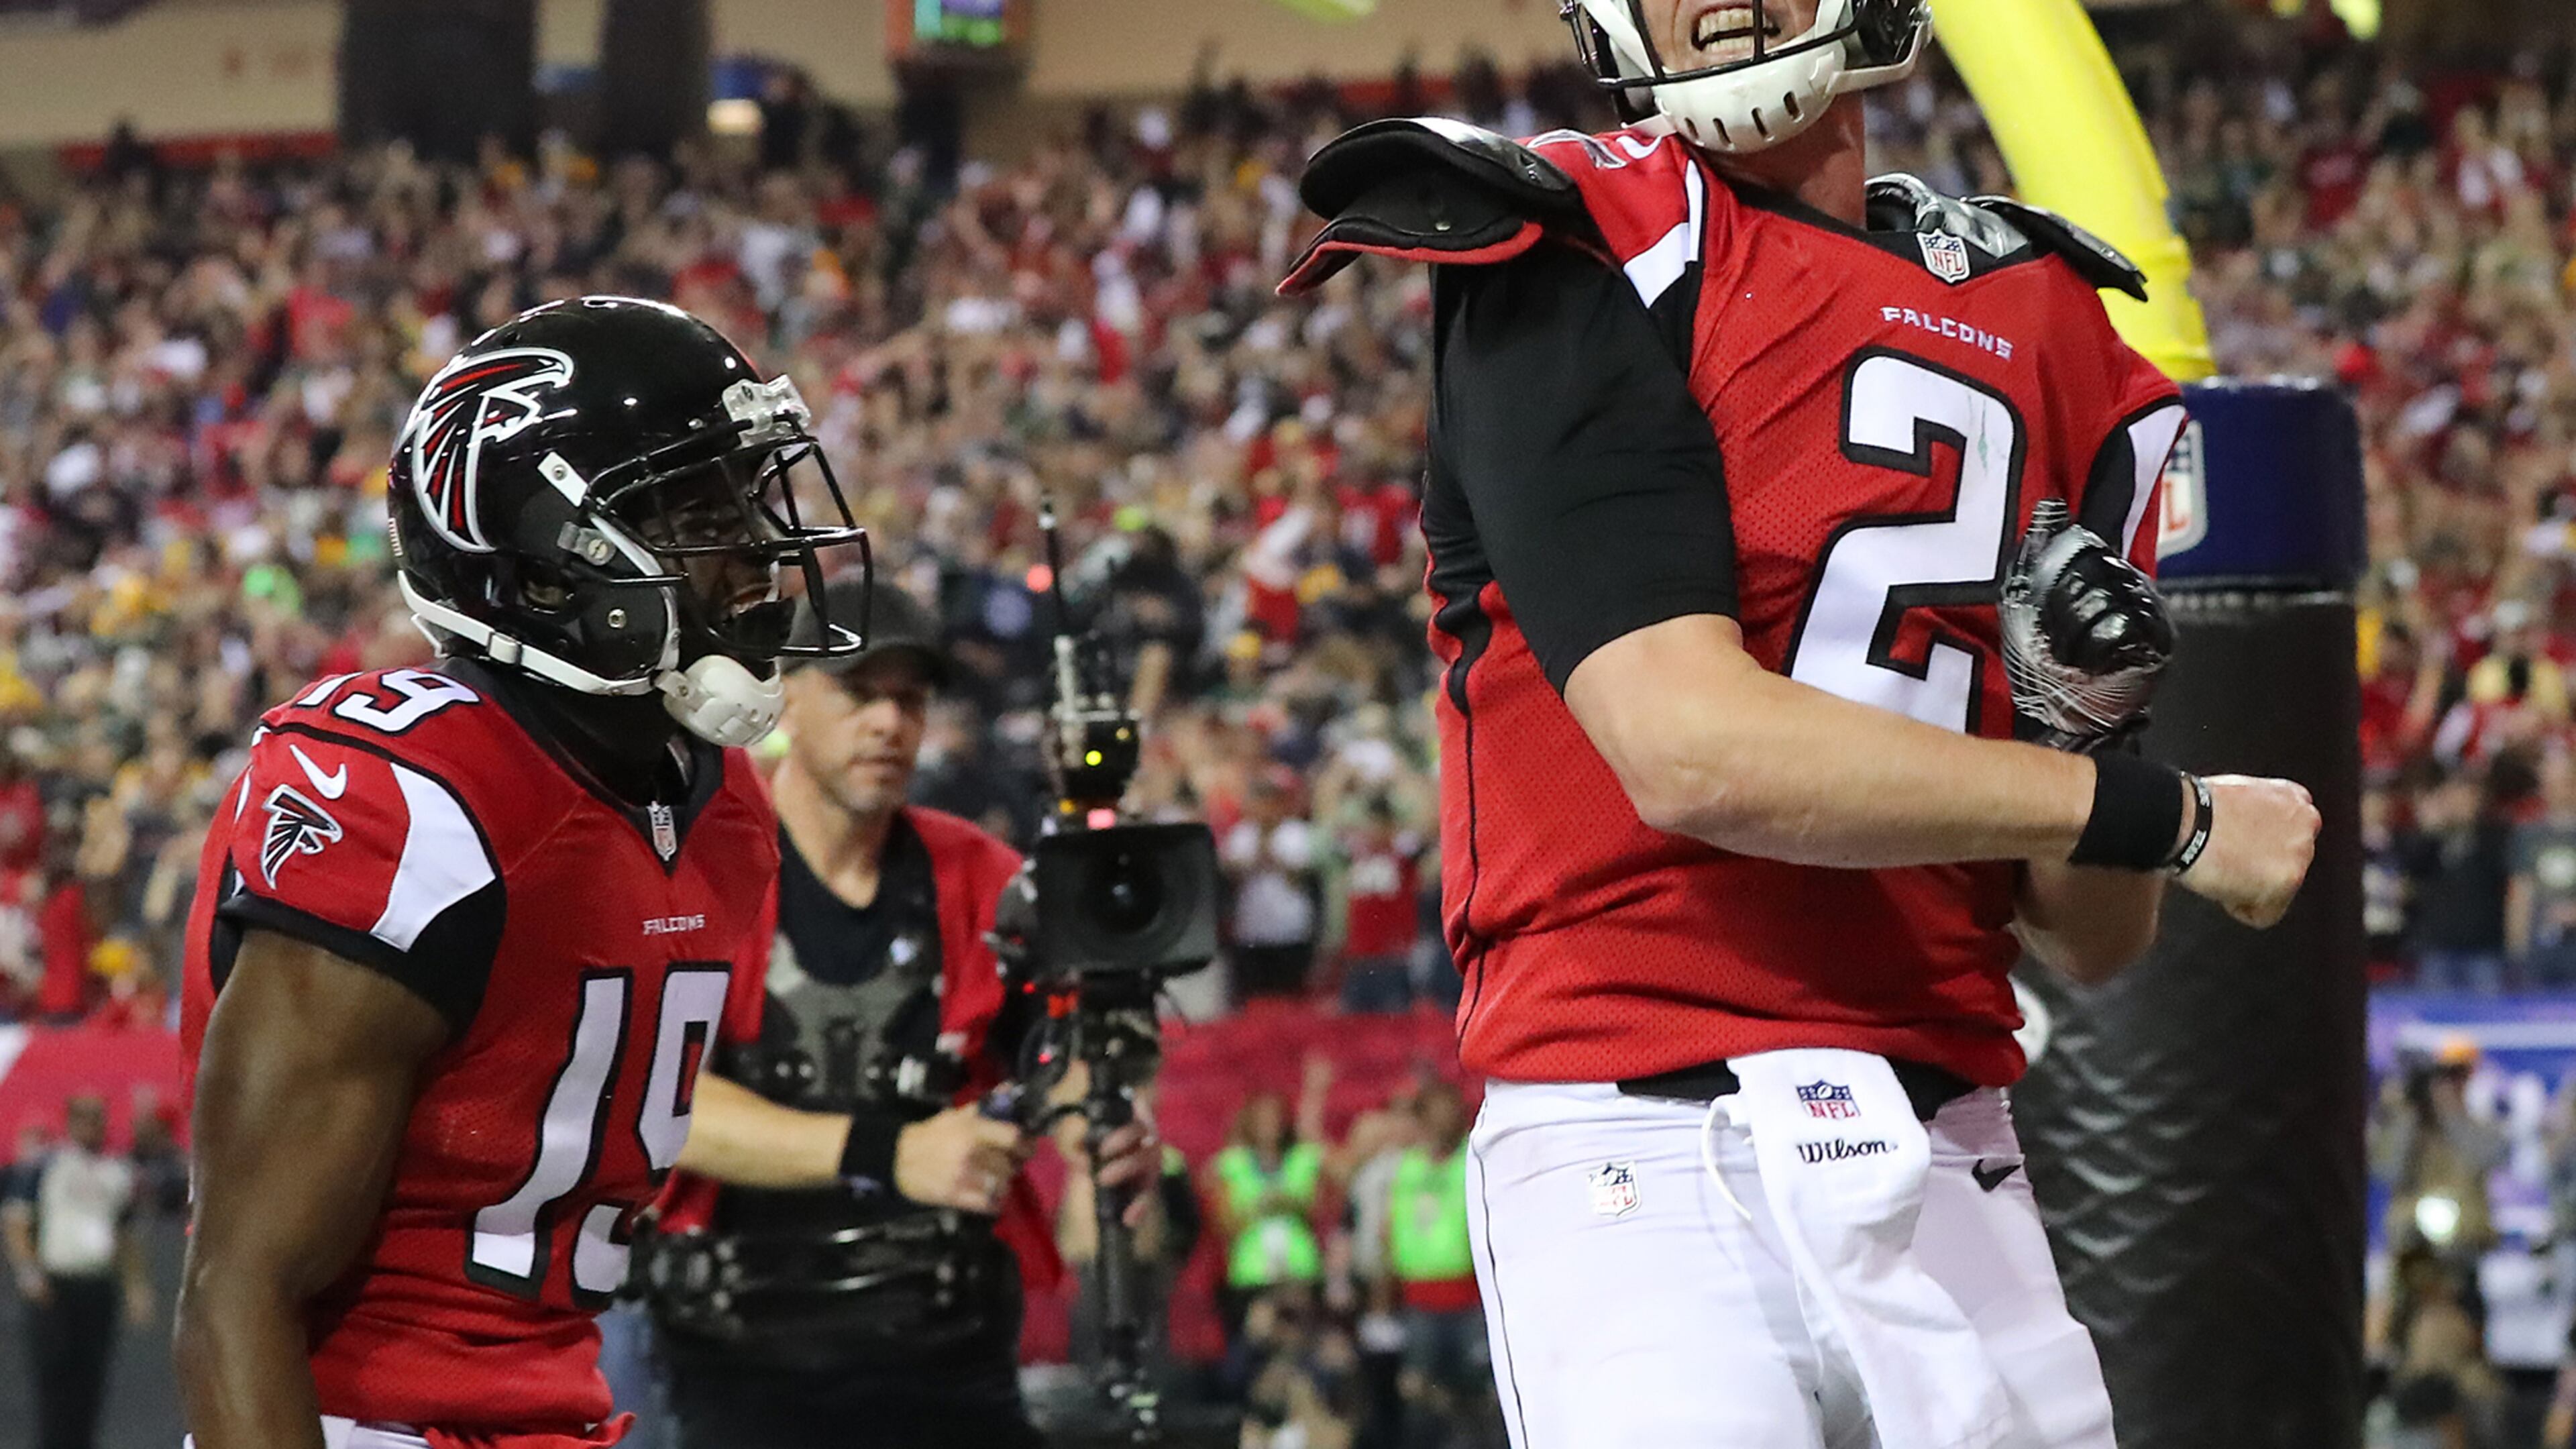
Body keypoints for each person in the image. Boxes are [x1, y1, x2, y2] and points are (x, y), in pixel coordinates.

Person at [1279, 2, 2320, 1445]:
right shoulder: (1584, 242)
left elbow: (2092, 938)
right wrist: (2171, 813)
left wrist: (2085, 738)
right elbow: (1687, 749)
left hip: (1953, 1138)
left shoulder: (2044, 312)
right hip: (1642, 1135)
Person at [172, 297, 870, 1449]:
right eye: (696, 513)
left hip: (557, 1413)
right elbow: (237, 1291)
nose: (753, 549)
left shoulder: (721, 802)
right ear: (550, 565)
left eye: (747, 497)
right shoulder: (418, 798)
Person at [640, 574, 1160, 1449]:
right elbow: (655, 1106)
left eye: (909, 700)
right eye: (857, 692)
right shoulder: (696, 867)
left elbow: (1062, 1038)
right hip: (738, 1364)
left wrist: (1097, 1122)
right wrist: (892, 1152)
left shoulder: (982, 874)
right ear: (788, 697)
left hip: (948, 1351)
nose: (888, 723)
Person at [2, 1095, 152, 1449]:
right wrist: (29, 1272)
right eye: (83, 1119)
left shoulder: (116, 1171)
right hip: (57, 1283)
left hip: (97, 1283)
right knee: (55, 1377)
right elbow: (16, 1220)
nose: (91, 1127)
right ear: (69, 1122)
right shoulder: (47, 1165)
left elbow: (125, 1234)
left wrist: (136, 1287)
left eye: (96, 1119)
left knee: (91, 1377)